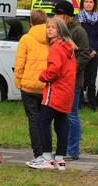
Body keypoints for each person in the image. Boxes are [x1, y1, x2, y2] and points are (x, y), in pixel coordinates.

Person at [27, 16, 77, 171]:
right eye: (48, 27)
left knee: (43, 122)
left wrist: (43, 76)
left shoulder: (56, 47)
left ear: (60, 30)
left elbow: (54, 69)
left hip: (55, 91)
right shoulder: (69, 48)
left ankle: (47, 157)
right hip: (67, 91)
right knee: (61, 124)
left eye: (53, 27)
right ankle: (60, 159)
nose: (49, 29)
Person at [52, 0, 91, 159]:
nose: (55, 17)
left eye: (58, 14)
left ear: (66, 15)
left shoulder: (78, 31)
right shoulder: (60, 30)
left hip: (73, 81)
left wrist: (71, 70)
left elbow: (84, 54)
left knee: (71, 115)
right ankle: (64, 148)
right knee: (62, 116)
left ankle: (73, 150)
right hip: (60, 81)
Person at [14, 9, 50, 159]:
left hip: (28, 87)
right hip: (46, 85)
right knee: (45, 121)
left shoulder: (26, 39)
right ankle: (47, 152)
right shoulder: (51, 38)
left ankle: (38, 154)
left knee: (33, 120)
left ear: (30, 23)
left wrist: (19, 82)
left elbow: (19, 64)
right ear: (46, 22)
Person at [77, 0, 98, 110]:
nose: (88, 4)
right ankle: (79, 104)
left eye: (91, 2)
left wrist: (94, 50)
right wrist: (87, 50)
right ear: (82, 4)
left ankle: (92, 105)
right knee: (80, 80)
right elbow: (78, 36)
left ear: (94, 4)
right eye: (86, 2)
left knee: (91, 81)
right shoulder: (78, 18)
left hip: (94, 53)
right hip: (82, 53)